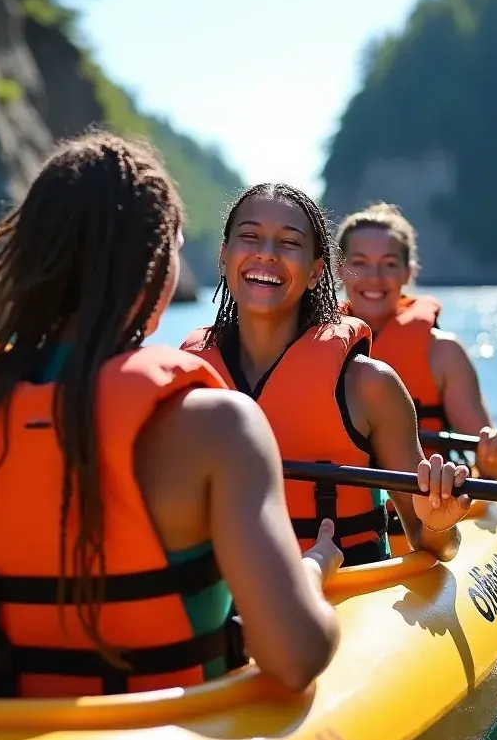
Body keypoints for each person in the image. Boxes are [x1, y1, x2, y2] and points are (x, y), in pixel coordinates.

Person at [0, 133, 342, 699]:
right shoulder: (219, 424)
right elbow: (294, 658)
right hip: (166, 737)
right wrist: (313, 567)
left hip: (10, 726)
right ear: (157, 268)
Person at [181, 183, 471, 568]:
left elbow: (435, 546)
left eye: (289, 243)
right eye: (249, 237)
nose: (266, 254)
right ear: (223, 257)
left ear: (316, 271)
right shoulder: (187, 380)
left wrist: (437, 524)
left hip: (348, 590)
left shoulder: (369, 385)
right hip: (224, 591)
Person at [336, 202, 497, 481]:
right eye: (360, 263)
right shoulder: (312, 344)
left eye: (389, 264)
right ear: (340, 270)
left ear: (407, 273)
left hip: (422, 498)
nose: (375, 278)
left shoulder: (443, 354)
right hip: (338, 500)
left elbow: (493, 469)